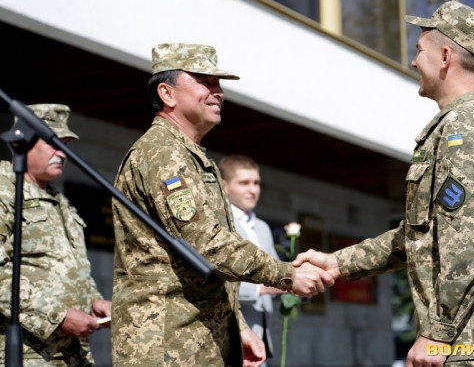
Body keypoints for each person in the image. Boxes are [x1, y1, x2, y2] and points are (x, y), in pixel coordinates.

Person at [294, 1, 474, 366]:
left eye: (419, 50)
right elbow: (422, 236)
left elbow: (472, 243)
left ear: (445, 56)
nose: (413, 62)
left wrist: (437, 333)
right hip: (473, 338)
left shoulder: (465, 129)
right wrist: (337, 263)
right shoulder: (461, 125)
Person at [110, 43, 334, 367]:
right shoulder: (162, 154)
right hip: (166, 345)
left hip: (196, 340)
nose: (219, 93)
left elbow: (205, 266)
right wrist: (286, 274)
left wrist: (237, 326)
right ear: (167, 93)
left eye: (219, 84)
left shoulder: (189, 155)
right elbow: (207, 243)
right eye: (206, 82)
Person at [0, 103, 112, 365]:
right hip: (26, 353)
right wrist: (58, 315)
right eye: (53, 143)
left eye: (65, 145)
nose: (62, 153)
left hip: (72, 353)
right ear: (23, 142)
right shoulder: (4, 190)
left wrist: (93, 301)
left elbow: (70, 267)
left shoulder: (59, 200)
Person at [220, 154, 295, 366]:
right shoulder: (220, 224)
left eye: (256, 183)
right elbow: (216, 278)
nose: (253, 190)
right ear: (224, 186)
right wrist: (261, 289)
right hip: (228, 338)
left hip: (261, 337)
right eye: (244, 183)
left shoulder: (262, 227)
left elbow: (275, 273)